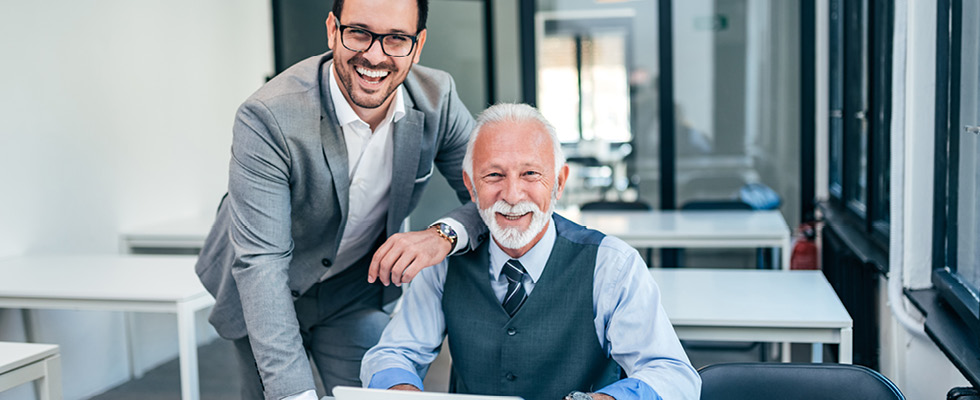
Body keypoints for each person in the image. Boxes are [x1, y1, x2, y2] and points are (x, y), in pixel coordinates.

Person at [195, 0, 487, 398]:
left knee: (372, 391)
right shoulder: (267, 116)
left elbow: (492, 197)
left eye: (396, 39)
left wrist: (442, 235)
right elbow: (262, 264)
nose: (374, 55)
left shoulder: (438, 99)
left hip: (355, 288)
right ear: (333, 29)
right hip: (266, 285)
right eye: (359, 33)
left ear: (417, 46)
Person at [361, 103, 701, 400]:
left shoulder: (611, 265)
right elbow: (393, 353)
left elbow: (673, 375)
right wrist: (399, 390)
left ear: (559, 182)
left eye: (530, 174)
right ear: (470, 185)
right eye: (493, 175)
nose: (511, 194)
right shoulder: (444, 265)